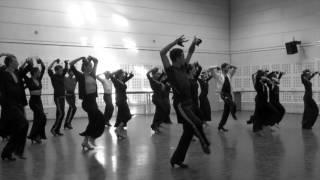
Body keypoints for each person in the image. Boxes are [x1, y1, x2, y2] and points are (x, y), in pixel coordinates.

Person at [160, 35, 210, 168]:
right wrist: (175, 42)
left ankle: (176, 159)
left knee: (187, 134)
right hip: (181, 105)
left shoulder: (183, 68)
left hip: (190, 103)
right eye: (182, 56)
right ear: (177, 58)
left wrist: (193, 43)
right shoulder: (170, 70)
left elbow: (191, 51)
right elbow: (162, 52)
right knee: (197, 123)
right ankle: (205, 143)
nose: (185, 58)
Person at [0, 54, 32, 161]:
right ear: (10, 63)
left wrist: (30, 62)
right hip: (10, 105)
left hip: (18, 104)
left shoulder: (16, 73)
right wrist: (2, 55)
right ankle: (17, 151)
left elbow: (28, 69)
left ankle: (7, 153)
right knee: (24, 123)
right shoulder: (3, 74)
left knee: (17, 129)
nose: (17, 61)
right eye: (15, 60)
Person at [69, 56, 105, 150]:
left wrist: (92, 58)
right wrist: (81, 58)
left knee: (92, 121)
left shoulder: (92, 75)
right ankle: (92, 137)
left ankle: (85, 142)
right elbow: (71, 64)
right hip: (87, 103)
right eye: (89, 66)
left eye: (91, 66)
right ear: (85, 67)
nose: (91, 67)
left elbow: (96, 61)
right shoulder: (80, 76)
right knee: (100, 118)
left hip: (94, 102)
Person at [23, 57, 47, 143]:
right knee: (42, 116)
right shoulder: (29, 80)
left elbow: (44, 68)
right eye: (38, 72)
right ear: (34, 73)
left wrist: (41, 62)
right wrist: (26, 63)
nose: (40, 73)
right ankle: (34, 135)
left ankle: (36, 136)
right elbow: (21, 72)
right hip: (33, 102)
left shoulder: (39, 79)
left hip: (39, 101)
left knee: (39, 119)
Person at [210, 63, 237, 132]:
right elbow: (210, 69)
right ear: (223, 68)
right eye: (227, 68)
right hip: (223, 94)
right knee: (232, 104)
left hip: (229, 94)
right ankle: (233, 113)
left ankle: (220, 126)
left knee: (226, 112)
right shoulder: (218, 75)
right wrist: (216, 66)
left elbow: (235, 68)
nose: (228, 69)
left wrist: (231, 66)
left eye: (229, 68)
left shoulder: (228, 75)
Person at [110, 69, 134, 138]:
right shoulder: (116, 81)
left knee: (120, 116)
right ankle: (118, 129)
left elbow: (131, 76)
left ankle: (119, 133)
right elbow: (111, 75)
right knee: (128, 116)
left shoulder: (122, 81)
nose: (123, 75)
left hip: (123, 100)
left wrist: (128, 73)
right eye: (122, 74)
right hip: (120, 101)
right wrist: (117, 70)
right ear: (119, 74)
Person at [48, 59, 68, 136]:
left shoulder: (62, 75)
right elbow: (49, 68)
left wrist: (66, 63)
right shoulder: (53, 76)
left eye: (62, 70)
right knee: (61, 114)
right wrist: (55, 61)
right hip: (58, 98)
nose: (62, 71)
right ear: (56, 71)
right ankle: (53, 129)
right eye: (60, 70)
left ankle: (57, 130)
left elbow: (66, 69)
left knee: (60, 114)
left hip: (62, 97)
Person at [147, 67, 165, 133]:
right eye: (156, 74)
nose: (158, 75)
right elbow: (147, 74)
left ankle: (155, 126)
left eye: (158, 74)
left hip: (160, 97)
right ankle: (155, 126)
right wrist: (152, 69)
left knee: (160, 112)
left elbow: (163, 74)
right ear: (153, 75)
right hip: (156, 98)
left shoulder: (158, 80)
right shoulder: (152, 80)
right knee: (161, 111)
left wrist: (164, 71)